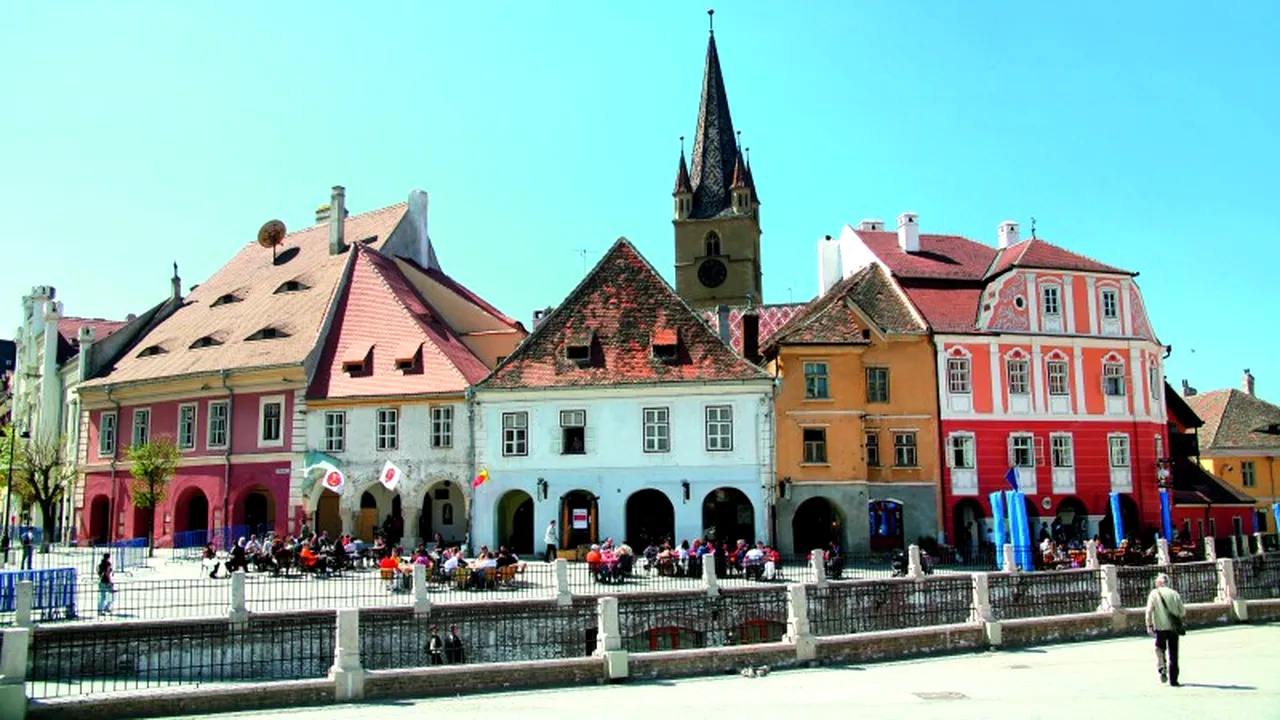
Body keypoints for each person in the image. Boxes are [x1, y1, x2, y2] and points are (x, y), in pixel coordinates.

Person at [1145, 573, 1186, 686]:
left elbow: (1148, 611)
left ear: (1158, 583)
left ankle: (1162, 666)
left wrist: (1149, 625)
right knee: (1173, 653)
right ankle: (1174, 679)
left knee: (1160, 648)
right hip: (1173, 628)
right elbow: (1182, 612)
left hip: (1160, 628)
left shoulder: (1154, 594)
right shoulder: (1174, 594)